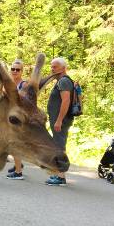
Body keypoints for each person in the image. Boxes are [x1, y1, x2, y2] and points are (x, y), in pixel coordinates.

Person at [45, 57, 74, 186]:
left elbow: (66, 101)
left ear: (63, 68)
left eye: (55, 67)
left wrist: (59, 120)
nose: (52, 69)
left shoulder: (63, 81)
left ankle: (61, 177)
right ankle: (58, 174)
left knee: (59, 146)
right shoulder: (61, 81)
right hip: (59, 120)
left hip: (60, 120)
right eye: (51, 66)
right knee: (57, 145)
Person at [4, 60, 28, 180]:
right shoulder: (9, 83)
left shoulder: (24, 85)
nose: (14, 71)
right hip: (10, 117)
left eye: (17, 69)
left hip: (19, 119)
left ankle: (18, 172)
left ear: (21, 71)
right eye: (13, 69)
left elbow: (21, 101)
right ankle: (18, 165)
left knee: (14, 144)